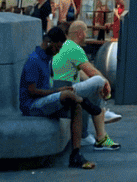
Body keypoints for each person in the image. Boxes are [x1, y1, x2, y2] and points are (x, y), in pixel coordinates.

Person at [19, 27, 91, 169]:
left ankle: (75, 154)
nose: (58, 51)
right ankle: (87, 104)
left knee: (74, 104)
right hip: (31, 105)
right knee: (67, 95)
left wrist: (57, 91)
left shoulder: (47, 59)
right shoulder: (34, 60)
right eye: (57, 47)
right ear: (49, 42)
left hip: (43, 99)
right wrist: (58, 91)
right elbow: (32, 91)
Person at [52, 21, 120, 148]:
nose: (87, 36)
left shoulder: (65, 46)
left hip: (59, 89)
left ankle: (98, 117)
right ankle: (101, 124)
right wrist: (106, 84)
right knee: (98, 81)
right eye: (86, 33)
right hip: (64, 91)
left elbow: (83, 74)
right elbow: (92, 71)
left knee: (92, 85)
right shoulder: (74, 48)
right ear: (80, 33)